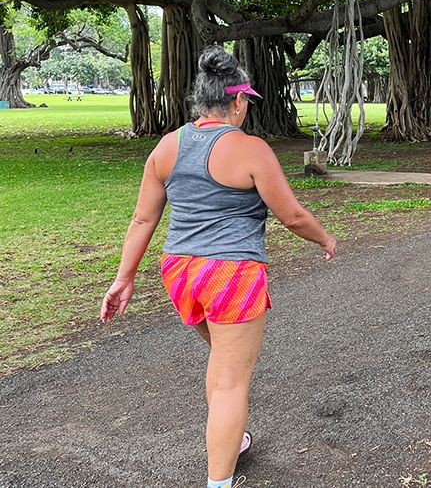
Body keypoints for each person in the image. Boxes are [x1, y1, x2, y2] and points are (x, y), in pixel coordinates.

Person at [100, 46, 337, 488]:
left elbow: (143, 219)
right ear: (237, 102)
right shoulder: (250, 149)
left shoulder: (167, 146)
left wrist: (124, 277)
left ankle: (234, 441)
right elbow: (292, 216)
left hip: (180, 272)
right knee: (232, 381)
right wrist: (325, 238)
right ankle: (218, 481)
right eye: (246, 101)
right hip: (230, 274)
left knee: (222, 361)